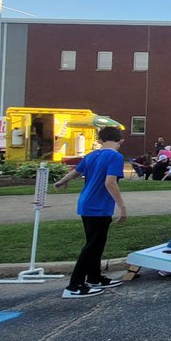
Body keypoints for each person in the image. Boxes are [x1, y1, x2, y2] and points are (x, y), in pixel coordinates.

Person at [52, 126, 127, 298]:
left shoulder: (92, 155)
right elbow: (110, 183)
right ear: (120, 140)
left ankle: (95, 277)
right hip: (99, 207)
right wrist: (122, 206)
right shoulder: (116, 156)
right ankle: (74, 285)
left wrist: (60, 182)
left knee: (96, 244)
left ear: (101, 140)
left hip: (86, 204)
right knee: (92, 246)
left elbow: (75, 172)